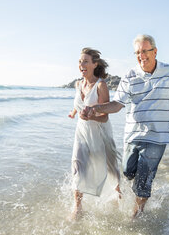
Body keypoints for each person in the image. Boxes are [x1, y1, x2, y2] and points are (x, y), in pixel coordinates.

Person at [81, 34, 169, 218]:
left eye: (145, 51)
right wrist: (96, 108)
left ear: (155, 51)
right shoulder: (130, 75)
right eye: (137, 52)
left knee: (143, 179)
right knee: (128, 171)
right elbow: (116, 104)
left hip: (158, 136)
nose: (141, 56)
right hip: (133, 135)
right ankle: (141, 190)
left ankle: (137, 213)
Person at [69, 47, 121, 220]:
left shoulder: (101, 85)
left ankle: (118, 197)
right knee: (78, 167)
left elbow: (105, 116)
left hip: (100, 134)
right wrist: (74, 113)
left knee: (112, 170)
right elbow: (80, 103)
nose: (81, 65)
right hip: (82, 133)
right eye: (79, 61)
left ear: (94, 64)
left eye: (85, 61)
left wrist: (92, 116)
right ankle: (78, 208)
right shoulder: (78, 83)